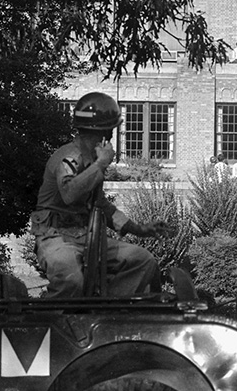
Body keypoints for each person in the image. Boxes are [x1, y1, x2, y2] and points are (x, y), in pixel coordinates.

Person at [31, 93, 159, 298]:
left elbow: (101, 206)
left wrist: (139, 229)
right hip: (56, 237)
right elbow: (69, 193)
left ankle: (108, 314)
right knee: (71, 279)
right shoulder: (69, 157)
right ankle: (50, 324)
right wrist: (101, 164)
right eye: (110, 131)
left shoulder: (91, 160)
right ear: (104, 132)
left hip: (87, 237)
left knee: (142, 260)